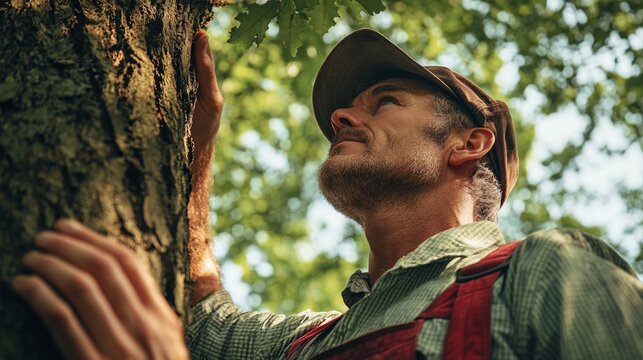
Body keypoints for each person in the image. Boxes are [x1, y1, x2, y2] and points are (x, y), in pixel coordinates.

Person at [11, 28, 643, 359]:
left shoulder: (544, 274)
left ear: (469, 144)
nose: (341, 117)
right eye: (345, 110)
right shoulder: (302, 344)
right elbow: (200, 319)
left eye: (384, 101)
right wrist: (192, 149)